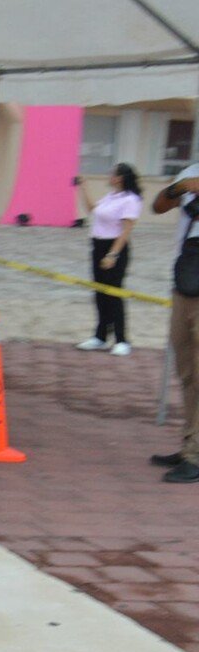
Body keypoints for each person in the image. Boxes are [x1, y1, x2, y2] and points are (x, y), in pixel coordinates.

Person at [149, 163, 199, 484]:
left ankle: (195, 455)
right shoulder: (191, 171)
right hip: (187, 277)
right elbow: (157, 206)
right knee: (187, 371)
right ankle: (189, 445)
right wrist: (180, 188)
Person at [74, 165, 142, 357]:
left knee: (114, 294)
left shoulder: (131, 199)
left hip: (115, 247)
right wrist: (83, 187)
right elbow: (92, 210)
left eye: (113, 173)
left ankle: (122, 339)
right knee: (100, 293)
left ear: (120, 178)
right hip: (98, 246)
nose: (109, 176)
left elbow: (126, 230)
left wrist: (112, 255)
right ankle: (100, 336)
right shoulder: (111, 196)